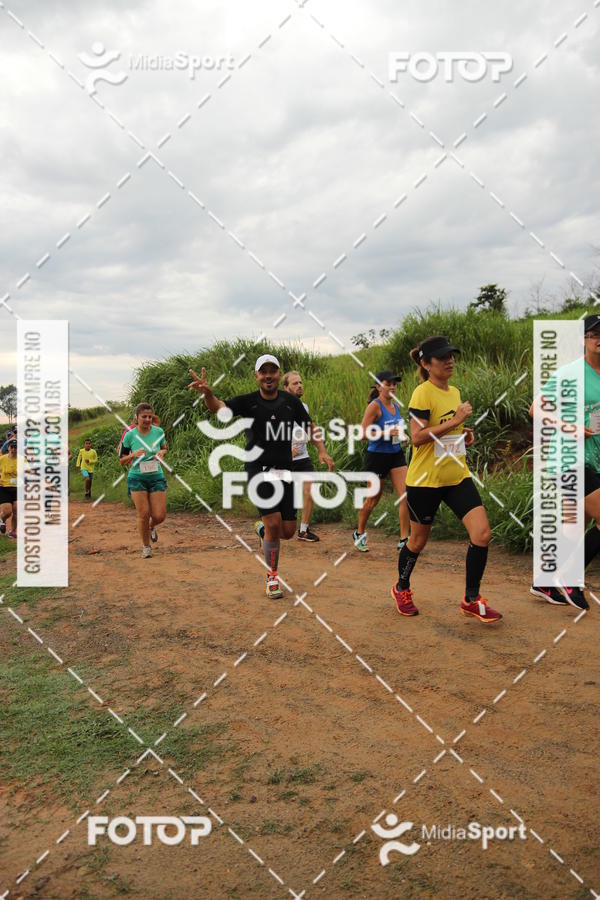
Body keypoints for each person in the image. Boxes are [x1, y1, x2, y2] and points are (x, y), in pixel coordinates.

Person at [188, 355, 333, 598]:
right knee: (274, 524)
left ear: (278, 375)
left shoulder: (290, 402)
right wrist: (208, 394)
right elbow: (220, 409)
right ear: (256, 376)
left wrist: (322, 450)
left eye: (272, 371)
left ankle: (263, 531)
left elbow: (309, 426)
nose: (268, 375)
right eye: (263, 371)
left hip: (285, 470)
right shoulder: (247, 402)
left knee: (287, 531)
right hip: (258, 469)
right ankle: (272, 577)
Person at [391, 335, 502, 623]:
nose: (450, 360)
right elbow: (416, 438)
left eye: (451, 355)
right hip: (425, 481)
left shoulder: (454, 392)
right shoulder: (422, 393)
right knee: (417, 541)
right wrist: (454, 422)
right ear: (426, 364)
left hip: (456, 476)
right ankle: (401, 588)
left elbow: (445, 434)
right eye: (442, 357)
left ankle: (471, 599)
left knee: (482, 534)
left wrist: (463, 434)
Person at [528, 314, 600, 611]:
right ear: (583, 340)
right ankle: (570, 578)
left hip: (592, 457)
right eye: (594, 333)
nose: (599, 337)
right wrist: (569, 427)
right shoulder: (570, 373)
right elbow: (536, 410)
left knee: (575, 526)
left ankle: (543, 581)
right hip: (568, 458)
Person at [352, 370, 410, 552]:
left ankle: (404, 539)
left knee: (407, 495)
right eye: (388, 383)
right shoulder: (374, 407)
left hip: (395, 455)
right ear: (378, 386)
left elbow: (396, 429)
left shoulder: (395, 406)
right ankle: (359, 532)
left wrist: (404, 435)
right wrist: (386, 433)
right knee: (373, 499)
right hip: (377, 457)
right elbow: (362, 434)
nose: (392, 387)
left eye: (394, 384)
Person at [282, 370, 334, 542]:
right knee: (281, 500)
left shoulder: (303, 407)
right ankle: (268, 526)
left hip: (302, 457)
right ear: (285, 387)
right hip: (283, 460)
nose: (299, 386)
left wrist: (322, 450)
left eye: (301, 382)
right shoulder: (277, 406)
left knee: (309, 492)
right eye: (295, 383)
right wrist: (285, 452)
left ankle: (303, 530)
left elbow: (309, 429)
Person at [119, 403, 167, 557]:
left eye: (150, 417)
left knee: (159, 516)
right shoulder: (130, 435)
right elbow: (122, 460)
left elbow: (164, 447)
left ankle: (151, 526)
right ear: (137, 417)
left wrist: (162, 453)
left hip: (156, 476)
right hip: (137, 477)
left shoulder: (159, 431)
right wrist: (133, 455)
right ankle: (146, 547)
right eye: (144, 416)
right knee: (144, 514)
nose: (147, 419)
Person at [0, 439, 19, 537]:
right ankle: (1, 521)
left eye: (16, 447)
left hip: (17, 488)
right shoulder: (2, 459)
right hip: (4, 488)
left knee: (16, 510)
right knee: (8, 512)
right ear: (8, 448)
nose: (14, 449)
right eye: (12, 447)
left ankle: (13, 531)